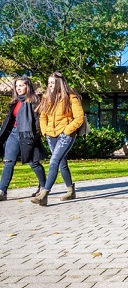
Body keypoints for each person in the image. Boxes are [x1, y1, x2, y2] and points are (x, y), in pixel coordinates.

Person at [31, 72, 84, 206]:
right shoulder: (46, 98)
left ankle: (44, 195)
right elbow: (43, 116)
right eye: (49, 83)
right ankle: (71, 191)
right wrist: (45, 131)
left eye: (53, 83)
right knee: (61, 163)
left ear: (60, 83)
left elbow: (79, 118)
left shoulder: (71, 98)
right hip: (51, 135)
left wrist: (67, 131)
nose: (50, 85)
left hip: (65, 135)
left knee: (54, 161)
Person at [0, 75, 48, 201]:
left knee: (33, 163)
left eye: (21, 85)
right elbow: (10, 119)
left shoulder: (35, 101)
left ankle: (44, 187)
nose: (18, 88)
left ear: (28, 86)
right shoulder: (15, 102)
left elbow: (38, 121)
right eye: (16, 86)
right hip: (14, 133)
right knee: (8, 162)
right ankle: (2, 191)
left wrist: (34, 137)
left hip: (28, 134)